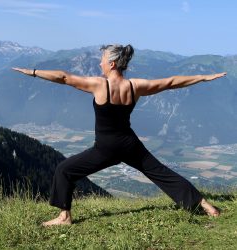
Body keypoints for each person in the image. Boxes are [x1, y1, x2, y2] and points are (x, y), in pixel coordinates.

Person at [13, 44, 226, 226]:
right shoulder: (135, 86)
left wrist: (32, 72)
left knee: (64, 170)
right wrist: (202, 77)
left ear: (112, 64)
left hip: (105, 148)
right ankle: (205, 205)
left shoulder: (99, 84)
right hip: (129, 143)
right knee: (162, 173)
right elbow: (171, 82)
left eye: (102, 61)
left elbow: (63, 77)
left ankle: (64, 216)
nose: (100, 64)